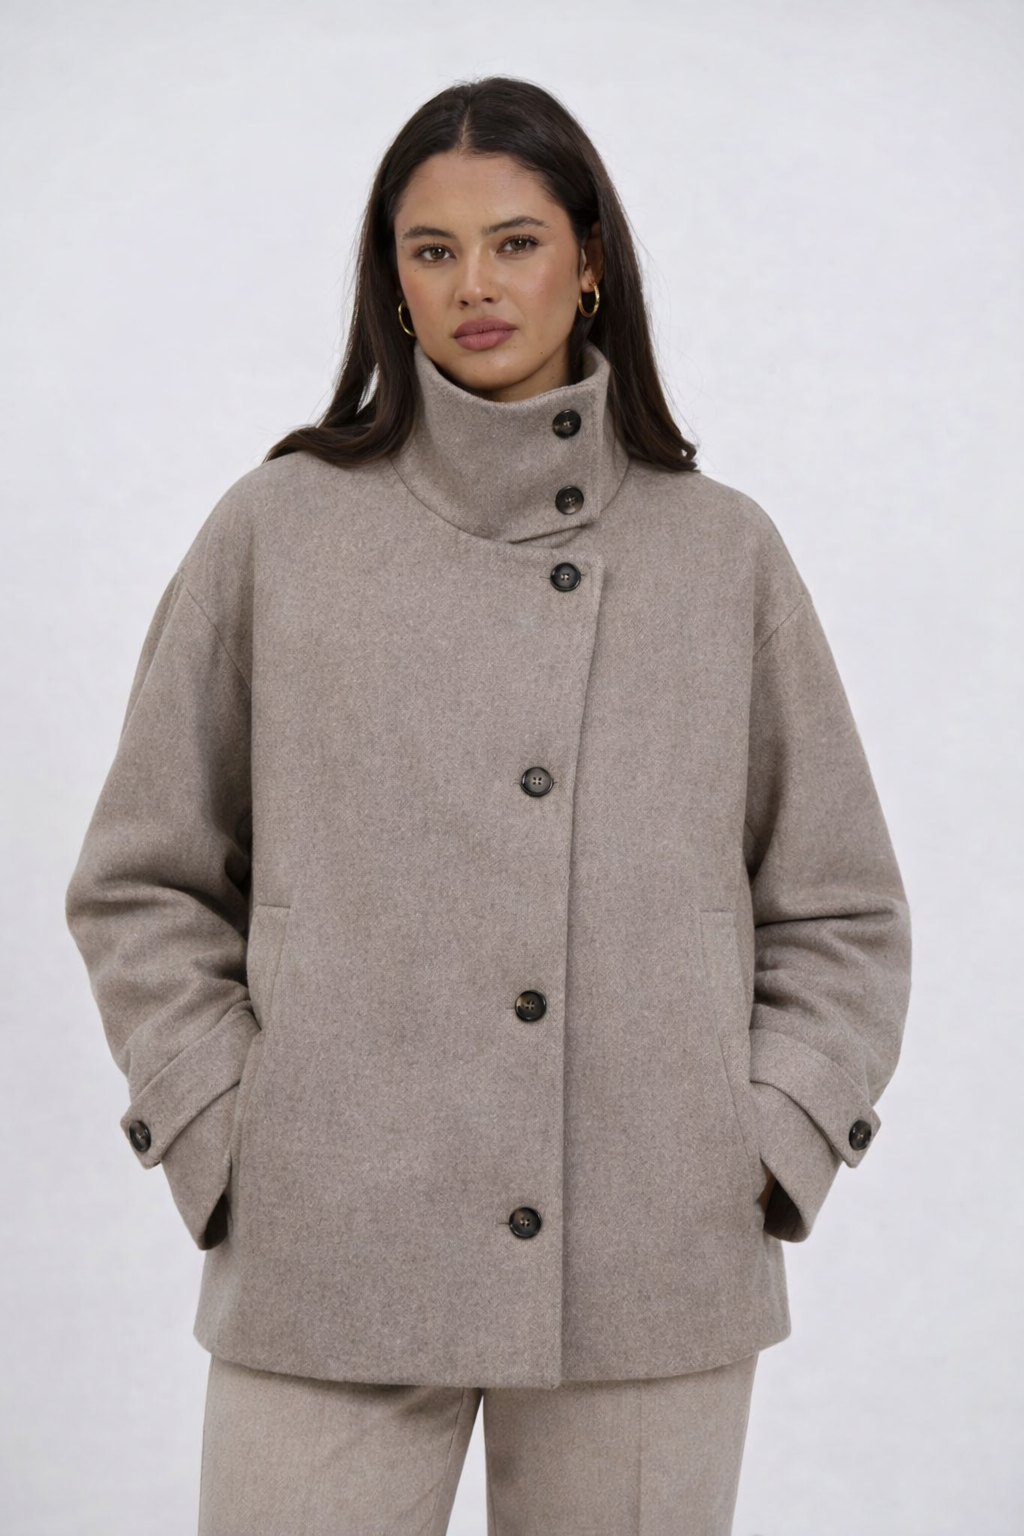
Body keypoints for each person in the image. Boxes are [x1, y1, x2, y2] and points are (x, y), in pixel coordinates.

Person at [64, 75, 913, 1535]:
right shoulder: (276, 532)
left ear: (589, 263)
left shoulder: (722, 554)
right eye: (432, 248)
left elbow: (841, 906)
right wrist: (227, 1129)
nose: (475, 285)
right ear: (389, 281)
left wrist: (763, 1141)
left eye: (515, 242)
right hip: (331, 1242)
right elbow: (140, 879)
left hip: (650, 1256)